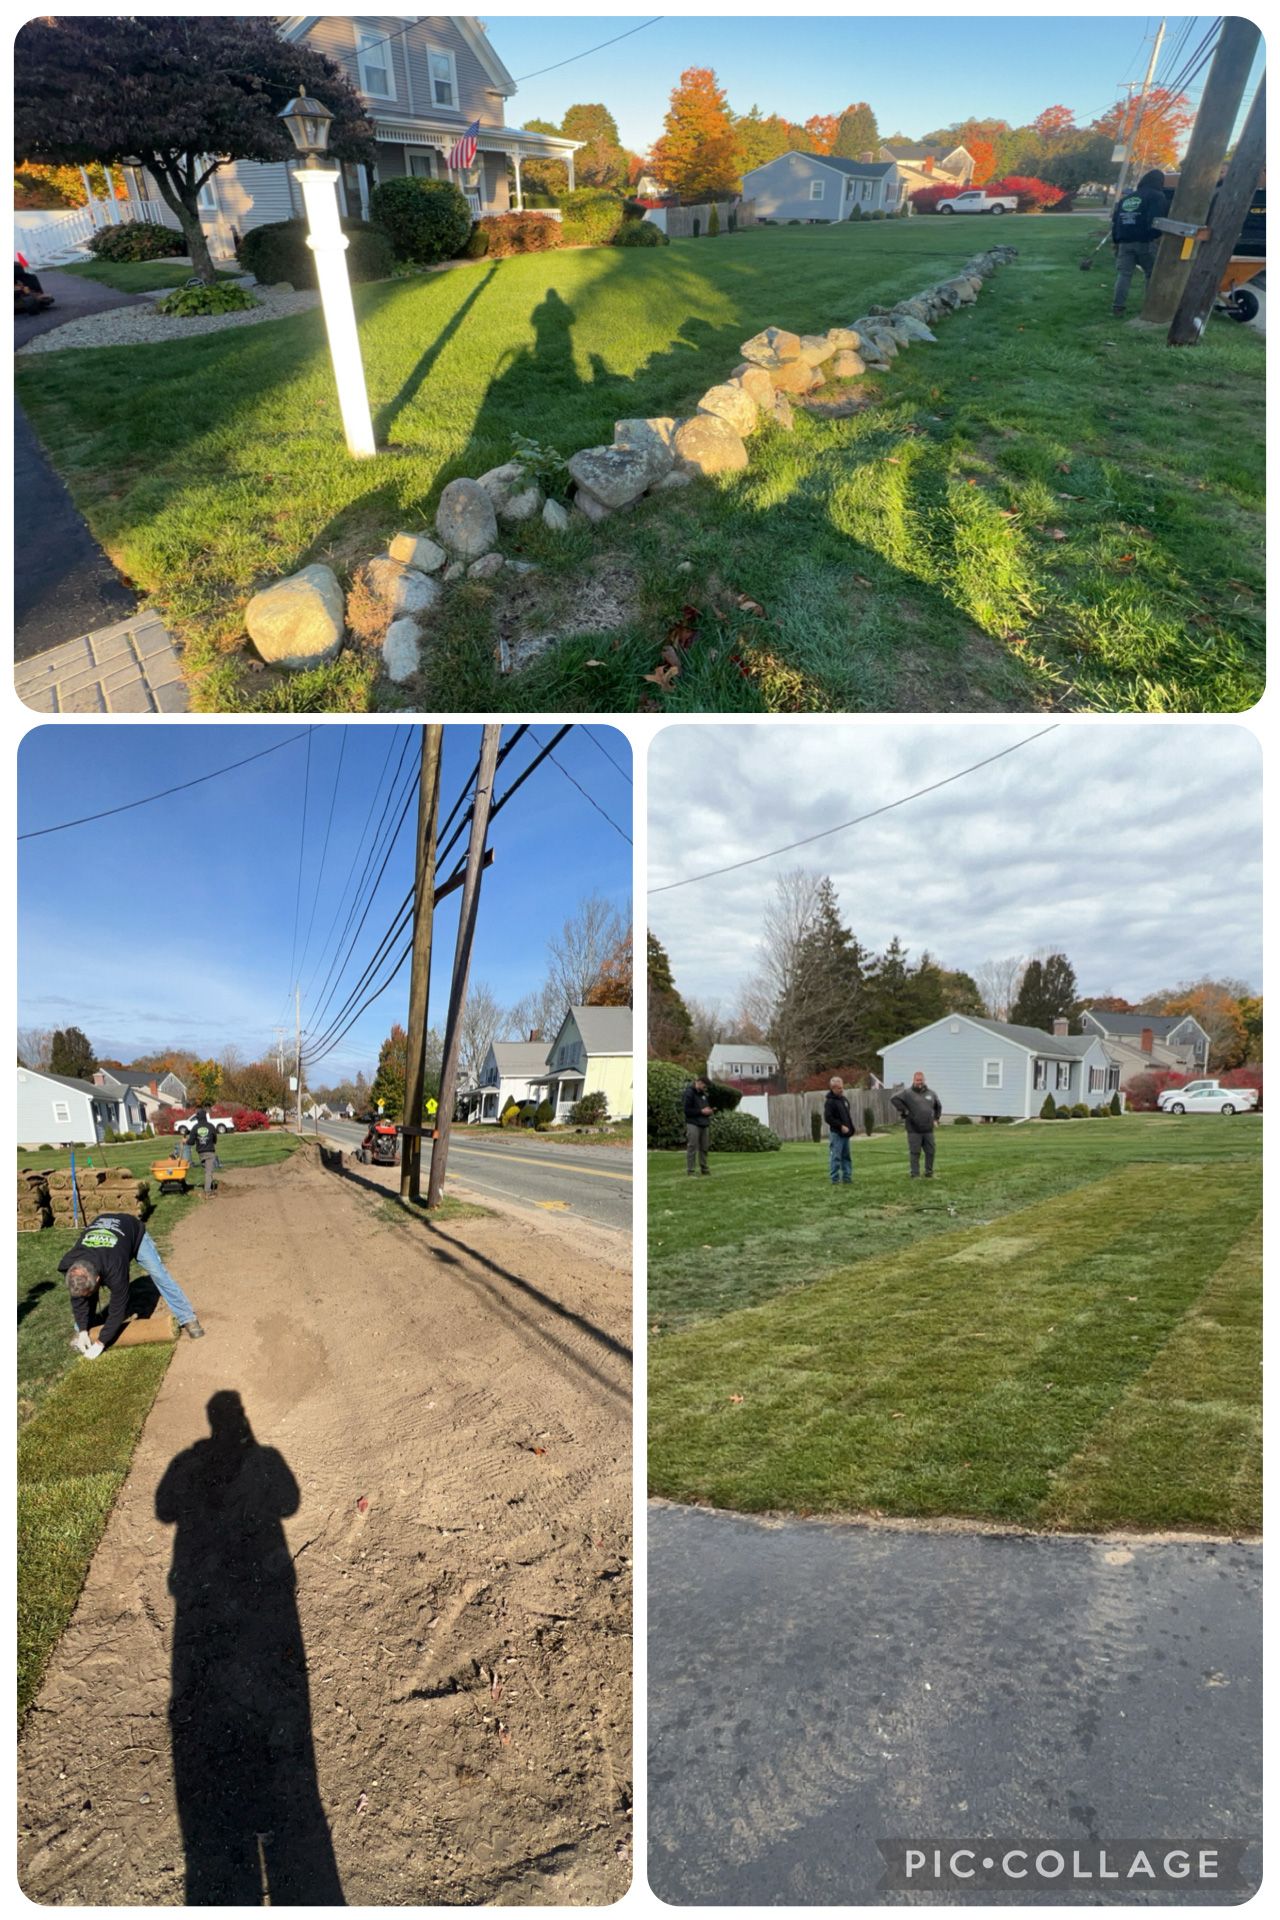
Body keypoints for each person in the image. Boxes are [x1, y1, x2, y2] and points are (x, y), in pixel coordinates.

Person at [60, 1209, 205, 1355]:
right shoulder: (69, 1265)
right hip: (105, 1232)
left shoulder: (115, 1269)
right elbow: (78, 1298)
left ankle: (187, 1318)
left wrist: (101, 1342)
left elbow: (118, 1308)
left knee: (159, 1275)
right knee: (84, 1294)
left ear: (99, 1279)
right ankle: (85, 1329)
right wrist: (83, 1329)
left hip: (132, 1231)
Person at [1110, 168, 1167, 315]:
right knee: (1152, 273)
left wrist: (1116, 240)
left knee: (1124, 274)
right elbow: (1156, 220)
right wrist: (1155, 235)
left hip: (1124, 242)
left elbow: (1116, 221)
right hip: (1145, 241)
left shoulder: (1126, 199)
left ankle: (1118, 306)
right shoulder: (1157, 196)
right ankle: (1149, 307)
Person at [891, 1070, 943, 1178]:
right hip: (913, 1129)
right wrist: (904, 1111)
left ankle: (929, 1172)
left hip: (928, 1129)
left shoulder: (931, 1093)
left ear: (924, 1080)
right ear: (914, 1080)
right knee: (915, 1152)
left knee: (930, 1151)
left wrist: (936, 1119)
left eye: (921, 1080)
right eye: (917, 1080)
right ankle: (915, 1174)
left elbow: (938, 1106)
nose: (919, 1082)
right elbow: (894, 1099)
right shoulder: (907, 1093)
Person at [823, 1075, 856, 1186]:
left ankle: (847, 1177)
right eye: (839, 1088)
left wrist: (851, 1128)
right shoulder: (830, 1102)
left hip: (846, 1134)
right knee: (836, 1157)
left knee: (846, 1157)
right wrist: (840, 1126)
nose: (842, 1090)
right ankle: (835, 1179)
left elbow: (847, 1116)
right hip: (837, 1134)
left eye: (842, 1087)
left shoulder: (844, 1100)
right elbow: (828, 1118)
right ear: (833, 1088)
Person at [683, 1075, 713, 1175]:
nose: (705, 1088)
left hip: (704, 1123)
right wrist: (701, 1111)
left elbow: (706, 1106)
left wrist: (709, 1110)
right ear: (699, 1082)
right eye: (704, 1086)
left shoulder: (703, 1095)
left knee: (704, 1147)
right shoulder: (689, 1093)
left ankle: (704, 1168)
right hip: (693, 1123)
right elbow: (687, 1110)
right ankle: (690, 1170)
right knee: (692, 1146)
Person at [186, 1109, 221, 1194]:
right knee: (208, 1171)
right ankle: (208, 1191)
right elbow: (215, 1138)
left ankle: (209, 1185)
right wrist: (213, 1142)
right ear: (205, 1117)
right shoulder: (211, 1126)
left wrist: (185, 1141)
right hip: (210, 1151)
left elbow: (191, 1142)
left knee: (207, 1170)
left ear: (198, 1118)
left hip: (201, 1153)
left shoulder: (195, 1127)